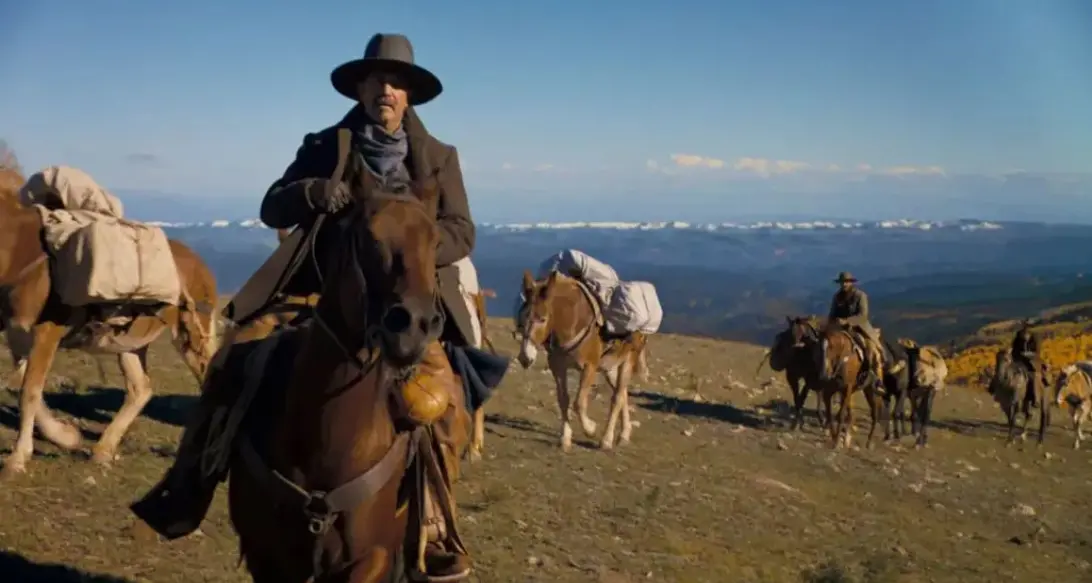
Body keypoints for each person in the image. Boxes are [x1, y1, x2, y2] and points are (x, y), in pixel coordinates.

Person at [132, 33, 502, 583]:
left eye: (397, 83)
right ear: (361, 86)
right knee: (234, 361)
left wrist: (413, 246)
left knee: (442, 400)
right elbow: (271, 204)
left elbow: (462, 231)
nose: (387, 91)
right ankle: (189, 483)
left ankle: (434, 527)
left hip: (403, 300)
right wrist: (310, 192)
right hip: (315, 294)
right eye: (378, 80)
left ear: (410, 95)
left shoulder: (439, 158)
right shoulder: (327, 143)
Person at [827, 271, 884, 384]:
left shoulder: (860, 296)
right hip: (840, 329)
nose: (844, 284)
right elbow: (832, 314)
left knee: (871, 349)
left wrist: (847, 321)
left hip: (859, 328)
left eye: (846, 282)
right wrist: (832, 322)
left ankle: (877, 378)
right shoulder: (837, 297)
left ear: (851, 283)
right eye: (842, 282)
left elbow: (863, 315)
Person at [1010, 319, 1043, 407]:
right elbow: (1014, 350)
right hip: (1020, 362)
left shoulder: (1035, 338)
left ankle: (1036, 399)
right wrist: (1017, 357)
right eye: (1025, 326)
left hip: (1032, 363)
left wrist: (1031, 355)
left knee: (1035, 376)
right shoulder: (1018, 337)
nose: (1026, 328)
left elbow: (1037, 351)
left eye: (1028, 326)